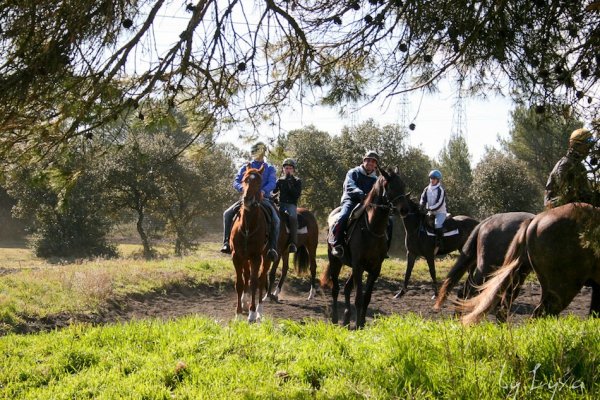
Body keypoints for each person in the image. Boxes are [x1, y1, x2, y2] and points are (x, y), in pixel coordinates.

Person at [221, 141, 280, 261]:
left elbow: (272, 182)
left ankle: (272, 248)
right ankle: (227, 243)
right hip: (246, 198)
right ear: (252, 153)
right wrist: (244, 188)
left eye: (260, 152)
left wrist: (263, 191)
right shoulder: (244, 167)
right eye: (255, 151)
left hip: (264, 199)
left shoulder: (269, 168)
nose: (258, 154)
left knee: (276, 219)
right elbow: (236, 181)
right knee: (227, 214)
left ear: (264, 153)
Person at [329, 151, 380, 258]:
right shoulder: (353, 172)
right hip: (351, 200)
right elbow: (350, 186)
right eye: (368, 160)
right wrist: (360, 193)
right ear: (364, 160)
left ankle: (382, 249)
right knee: (343, 217)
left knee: (386, 222)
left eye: (373, 162)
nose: (370, 163)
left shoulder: (375, 179)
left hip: (367, 204)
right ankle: (336, 243)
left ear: (376, 165)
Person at [544, 128, 597, 209]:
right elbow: (568, 193)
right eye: (586, 146)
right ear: (576, 145)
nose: (589, 149)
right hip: (555, 203)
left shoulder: (580, 166)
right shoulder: (565, 164)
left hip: (574, 201)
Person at [273, 158, 302, 253]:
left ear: (293, 169)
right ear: (283, 169)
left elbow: (296, 195)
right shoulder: (280, 180)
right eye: (286, 168)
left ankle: (293, 243)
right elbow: (274, 191)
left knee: (293, 218)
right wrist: (273, 196)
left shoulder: (297, 181)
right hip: (281, 204)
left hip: (291, 205)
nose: (288, 170)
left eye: (290, 168)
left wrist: (290, 184)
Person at [419, 169, 447, 248]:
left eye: (434, 179)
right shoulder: (426, 189)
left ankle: (439, 242)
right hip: (430, 212)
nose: (432, 180)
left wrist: (429, 208)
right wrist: (421, 205)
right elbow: (422, 199)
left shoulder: (440, 190)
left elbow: (439, 203)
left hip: (440, 212)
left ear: (438, 180)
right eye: (431, 178)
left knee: (437, 225)